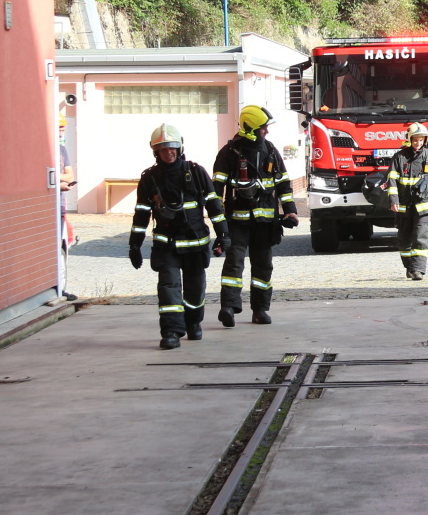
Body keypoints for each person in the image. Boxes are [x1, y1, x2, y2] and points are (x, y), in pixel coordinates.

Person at [129, 124, 228, 350]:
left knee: (195, 290)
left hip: (196, 245)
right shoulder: (150, 179)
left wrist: (223, 235)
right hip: (167, 246)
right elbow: (141, 214)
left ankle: (193, 323)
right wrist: (134, 245)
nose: (168, 152)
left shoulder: (196, 172)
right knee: (168, 287)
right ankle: (171, 332)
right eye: (163, 149)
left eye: (172, 147)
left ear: (180, 147)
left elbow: (214, 205)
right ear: (156, 152)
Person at [212, 105, 300, 328]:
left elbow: (283, 184)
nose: (266, 132)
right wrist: (218, 221)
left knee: (263, 266)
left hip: (265, 223)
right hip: (237, 222)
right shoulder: (228, 153)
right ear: (251, 128)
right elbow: (216, 188)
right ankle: (228, 308)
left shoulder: (270, 150)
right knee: (234, 264)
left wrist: (290, 210)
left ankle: (260, 310)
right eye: (263, 128)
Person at [388, 122, 428, 280]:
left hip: (424, 205)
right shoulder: (399, 158)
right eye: (415, 140)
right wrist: (393, 200)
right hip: (404, 205)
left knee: (421, 236)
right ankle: (409, 267)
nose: (418, 143)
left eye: (421, 140)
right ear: (409, 139)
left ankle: (418, 270)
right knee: (404, 239)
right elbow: (391, 181)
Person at [57, 111, 79, 301]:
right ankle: (56, 288)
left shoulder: (62, 150)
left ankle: (61, 289)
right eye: (59, 128)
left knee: (61, 248)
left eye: (63, 128)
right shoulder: (47, 148)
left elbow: (69, 176)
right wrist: (58, 180)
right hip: (50, 208)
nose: (61, 132)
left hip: (61, 209)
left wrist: (56, 178)